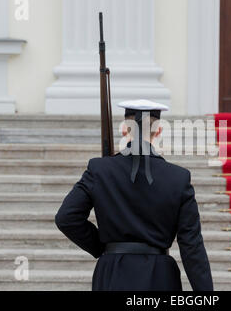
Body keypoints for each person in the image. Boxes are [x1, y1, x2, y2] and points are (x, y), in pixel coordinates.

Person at [55, 99, 213, 291]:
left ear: (125, 129)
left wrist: (102, 247)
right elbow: (192, 246)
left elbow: (66, 218)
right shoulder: (179, 178)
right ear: (158, 131)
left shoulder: (99, 169)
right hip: (160, 276)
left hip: (112, 271)